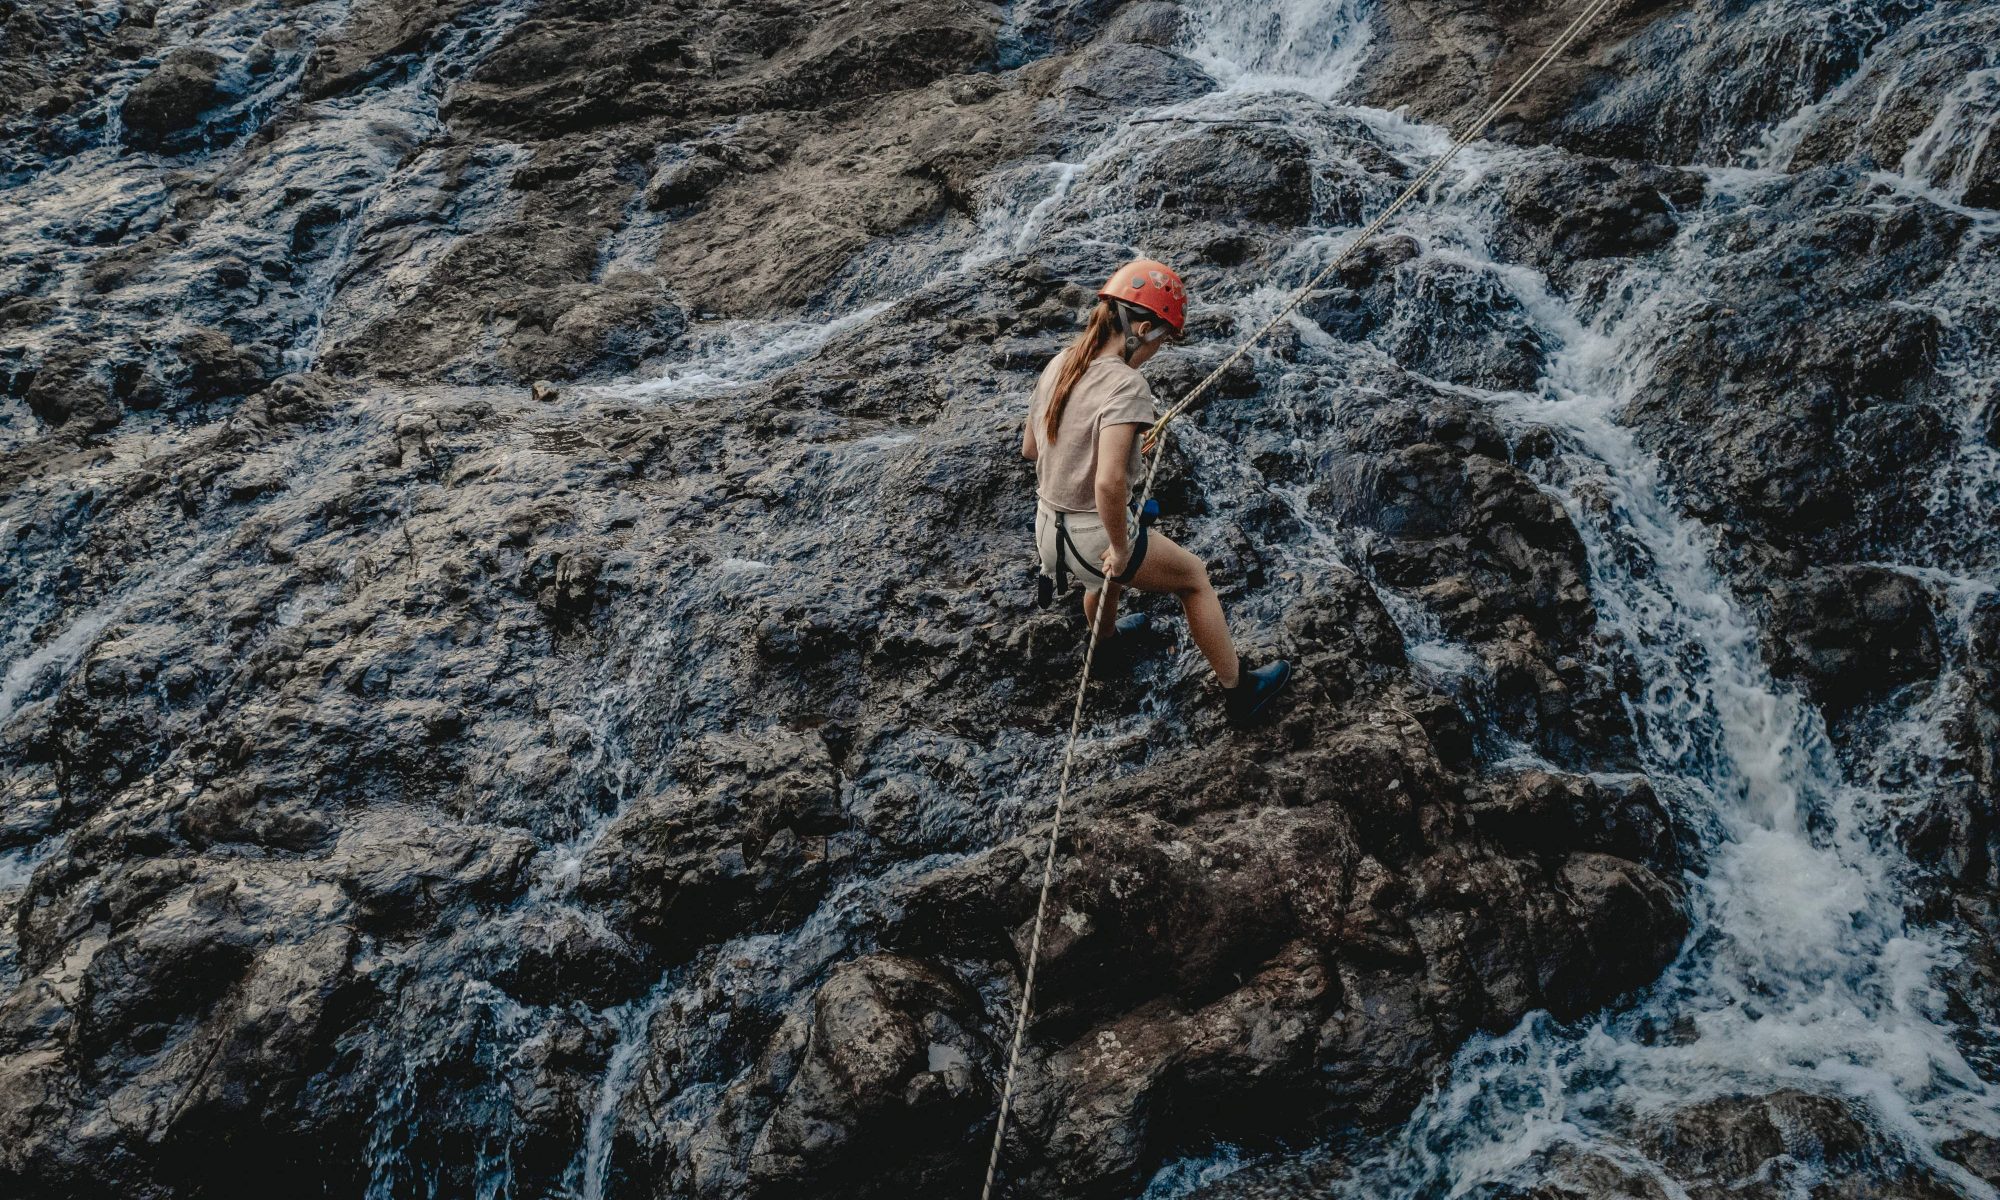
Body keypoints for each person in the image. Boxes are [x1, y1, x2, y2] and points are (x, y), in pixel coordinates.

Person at [1022, 258, 1291, 726]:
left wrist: (1119, 443)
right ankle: (1240, 691)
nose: (1159, 350)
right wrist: (1122, 550)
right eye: (1162, 339)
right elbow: (1107, 482)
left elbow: (1031, 448)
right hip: (1092, 537)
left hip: (1048, 533)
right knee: (1194, 580)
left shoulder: (1060, 363)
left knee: (1099, 579)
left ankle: (1103, 647)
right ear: (1141, 328)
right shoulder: (1127, 384)